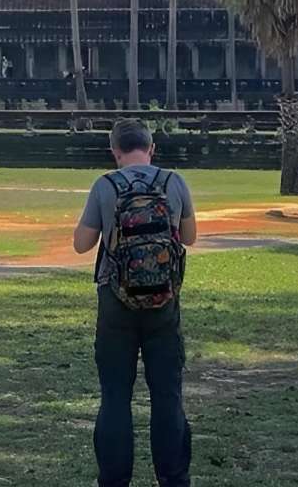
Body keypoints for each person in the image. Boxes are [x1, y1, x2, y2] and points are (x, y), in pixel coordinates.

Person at [73, 119, 197, 487]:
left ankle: (114, 480)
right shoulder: (173, 182)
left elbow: (82, 244)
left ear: (115, 151)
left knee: (115, 397)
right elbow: (190, 238)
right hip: (163, 302)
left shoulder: (105, 185)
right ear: (152, 148)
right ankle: (173, 479)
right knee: (167, 397)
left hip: (115, 300)